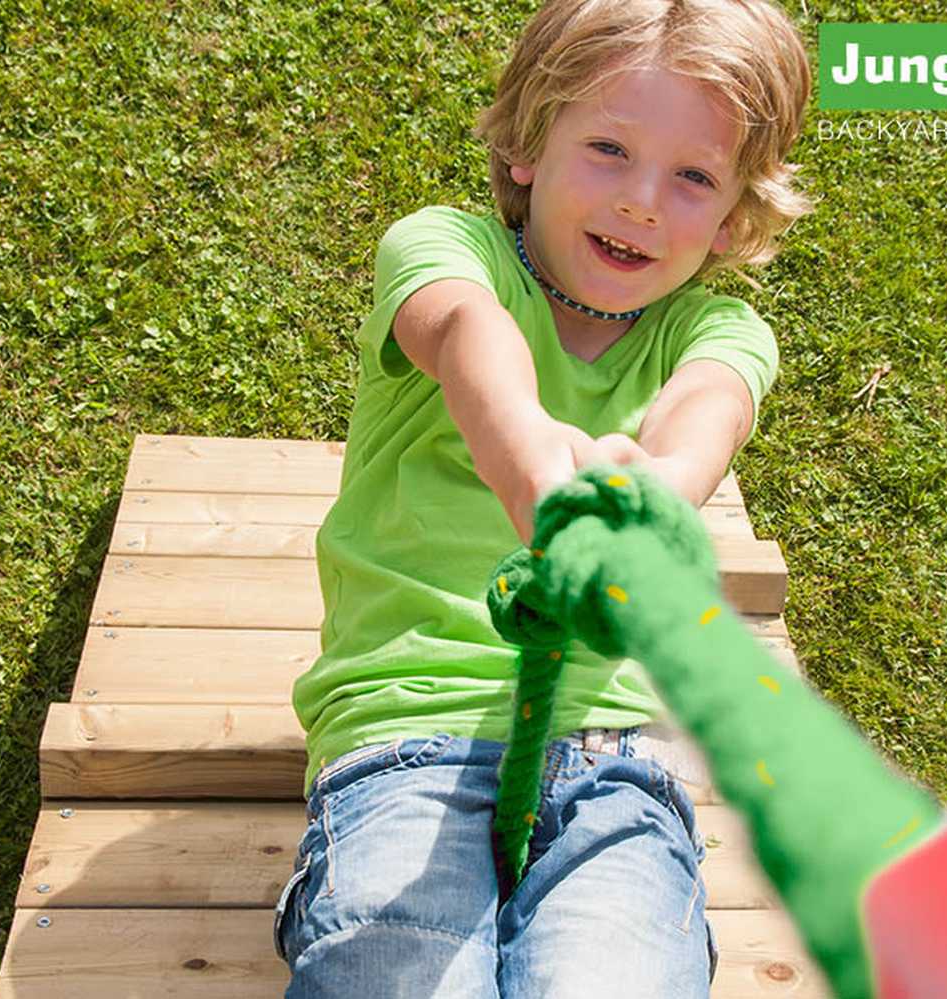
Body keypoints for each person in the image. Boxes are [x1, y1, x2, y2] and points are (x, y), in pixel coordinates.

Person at [273, 0, 812, 994]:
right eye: (608, 149)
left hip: (617, 760)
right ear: (527, 145)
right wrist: (529, 471)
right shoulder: (450, 250)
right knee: (395, 973)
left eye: (692, 177)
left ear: (737, 214)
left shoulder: (717, 333)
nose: (642, 202)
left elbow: (709, 409)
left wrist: (652, 493)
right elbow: (470, 340)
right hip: (404, 737)